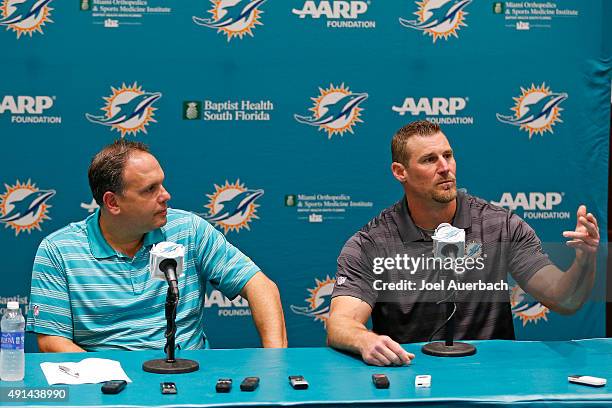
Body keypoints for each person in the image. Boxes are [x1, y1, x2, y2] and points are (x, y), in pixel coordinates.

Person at [327, 120, 599, 366]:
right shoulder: (371, 243)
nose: (445, 168)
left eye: (448, 155)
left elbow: (565, 299)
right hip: (411, 380)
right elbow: (341, 323)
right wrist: (365, 341)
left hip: (493, 380)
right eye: (429, 160)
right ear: (400, 172)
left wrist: (585, 259)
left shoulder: (500, 226)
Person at [27, 140, 287, 352]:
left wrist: (274, 362)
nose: (165, 195)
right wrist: (112, 378)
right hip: (106, 386)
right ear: (113, 202)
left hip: (189, 380)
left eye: (161, 183)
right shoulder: (58, 250)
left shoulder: (188, 230)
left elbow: (260, 286)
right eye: (150, 189)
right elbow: (52, 341)